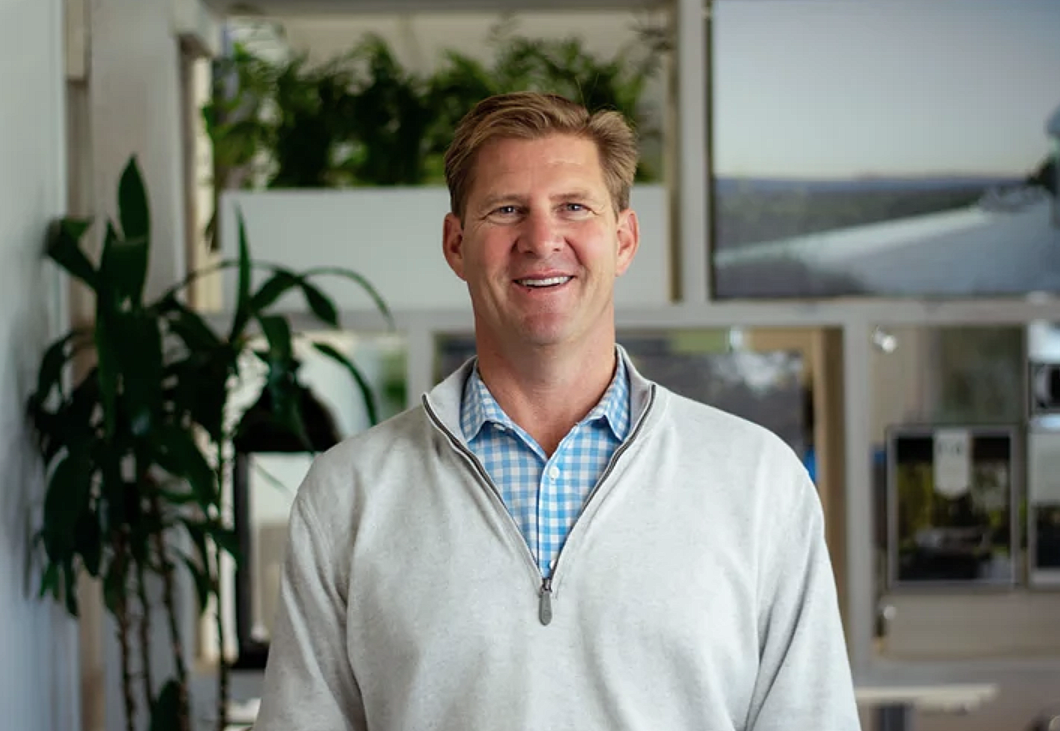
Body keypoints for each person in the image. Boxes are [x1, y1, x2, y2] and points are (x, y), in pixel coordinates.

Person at [254, 91, 861, 730]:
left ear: (623, 240)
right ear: (457, 244)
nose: (542, 239)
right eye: (507, 209)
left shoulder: (758, 480)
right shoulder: (348, 493)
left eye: (574, 207)